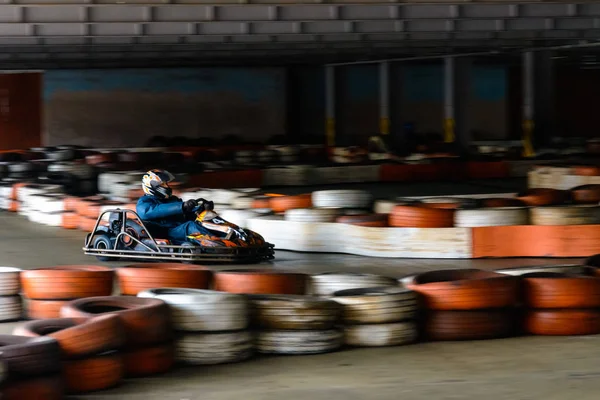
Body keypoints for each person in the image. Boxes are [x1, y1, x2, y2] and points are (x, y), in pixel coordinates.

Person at [136, 169, 214, 243]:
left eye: (166, 183)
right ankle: (216, 244)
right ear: (153, 186)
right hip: (166, 232)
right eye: (163, 184)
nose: (167, 186)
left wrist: (201, 209)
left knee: (205, 219)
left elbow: (187, 215)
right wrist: (181, 207)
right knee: (190, 226)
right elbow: (148, 211)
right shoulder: (144, 201)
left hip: (178, 229)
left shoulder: (173, 199)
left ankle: (223, 236)